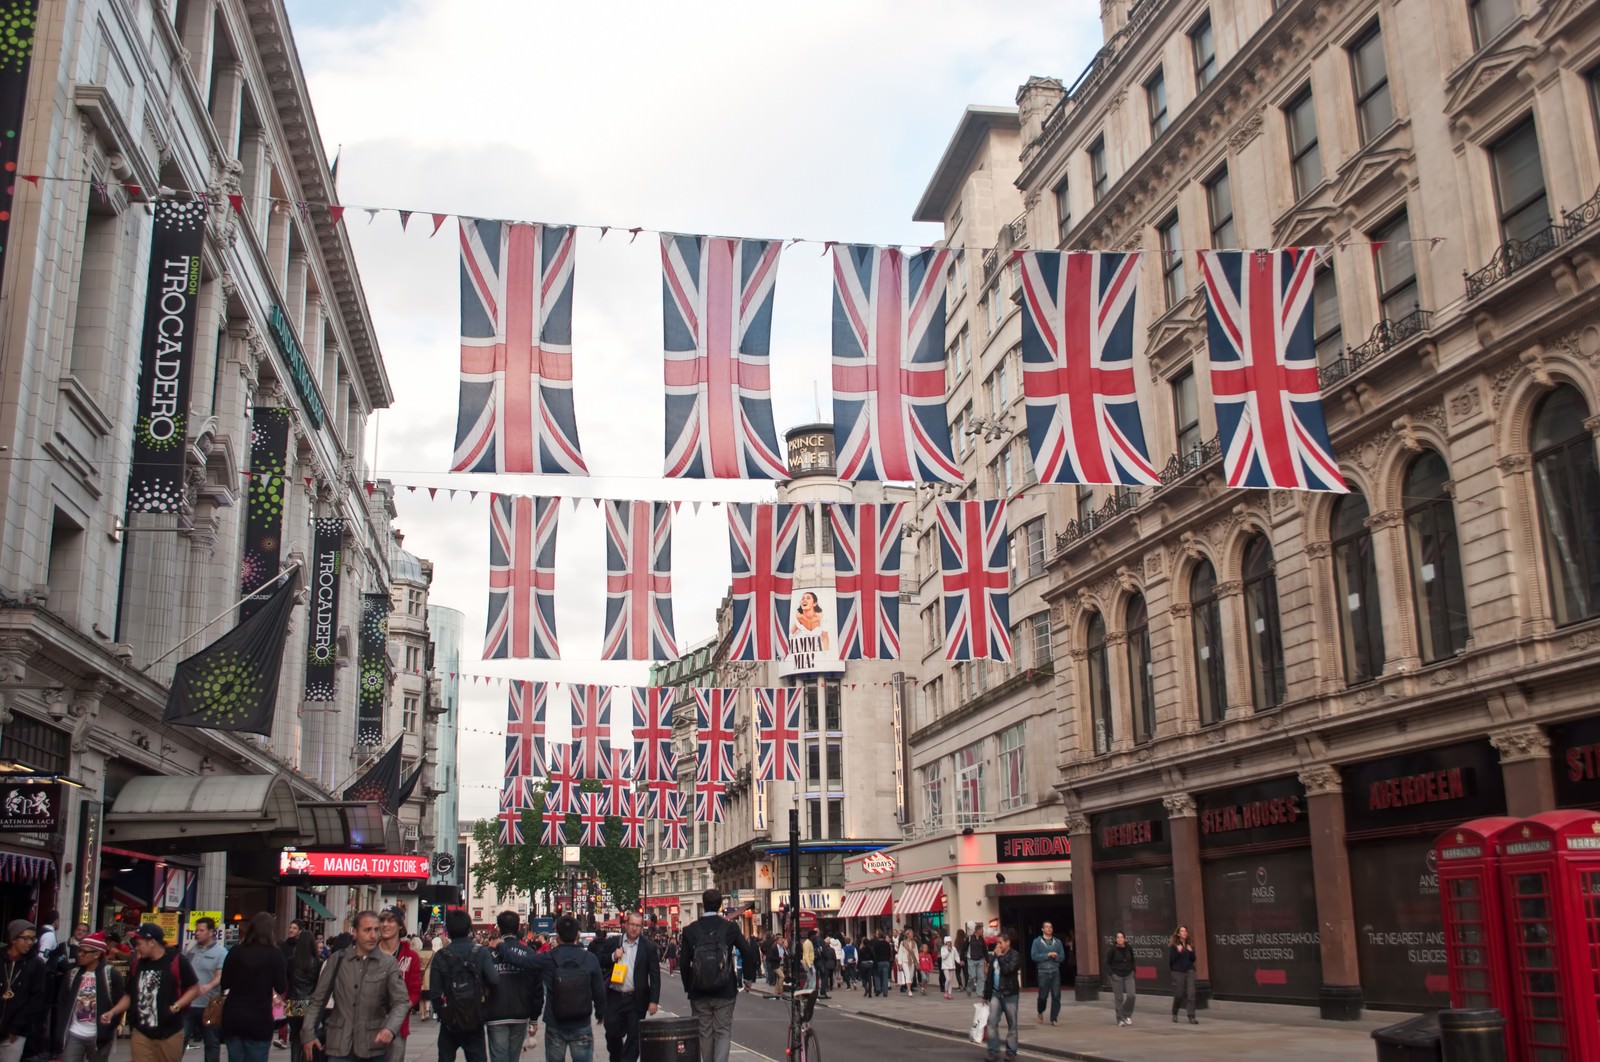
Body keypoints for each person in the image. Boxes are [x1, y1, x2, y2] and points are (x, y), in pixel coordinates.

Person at [302, 911, 409, 1062]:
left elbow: (401, 1001)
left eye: (376, 930)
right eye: (367, 930)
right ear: (355, 932)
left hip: (373, 1044)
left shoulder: (388, 963)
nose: (373, 935)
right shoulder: (338, 960)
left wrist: (390, 1028)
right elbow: (318, 999)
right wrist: (308, 1032)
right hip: (339, 1044)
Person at [102, 923, 200, 1062]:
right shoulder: (138, 965)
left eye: (139, 943)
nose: (137, 948)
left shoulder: (176, 961)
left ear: (152, 942)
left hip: (169, 1031)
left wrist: (175, 1007)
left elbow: (194, 988)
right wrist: (113, 1012)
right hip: (141, 1031)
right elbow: (130, 995)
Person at [678, 890, 756, 1062]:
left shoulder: (690, 930)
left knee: (704, 1032)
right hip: (725, 989)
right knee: (722, 1031)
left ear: (703, 904)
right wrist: (748, 979)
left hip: (699, 991)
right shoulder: (730, 928)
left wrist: (688, 986)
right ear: (720, 905)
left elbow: (683, 962)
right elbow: (746, 951)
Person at [429, 909, 499, 1062]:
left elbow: (434, 992)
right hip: (474, 1016)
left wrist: (442, 1013)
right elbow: (494, 980)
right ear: (469, 929)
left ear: (448, 931)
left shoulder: (441, 956)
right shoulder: (481, 953)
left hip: (450, 1018)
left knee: (445, 1057)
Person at [218, 912, 288, 1062]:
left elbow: (224, 983)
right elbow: (281, 986)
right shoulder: (274, 954)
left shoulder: (236, 951)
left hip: (233, 1016)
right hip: (259, 1018)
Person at [593, 913, 659, 1062]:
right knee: (612, 1032)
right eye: (632, 925)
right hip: (615, 996)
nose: (634, 929)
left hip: (636, 998)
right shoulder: (613, 942)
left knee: (634, 1036)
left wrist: (653, 1000)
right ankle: (617, 1057)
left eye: (638, 926)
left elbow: (655, 975)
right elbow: (598, 960)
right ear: (626, 924)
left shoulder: (648, 947)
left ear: (641, 927)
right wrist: (612, 956)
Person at [50, 932, 121, 1062]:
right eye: (79, 950)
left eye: (85, 952)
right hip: (74, 1033)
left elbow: (119, 1004)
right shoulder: (72, 974)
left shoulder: (110, 975)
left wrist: (108, 1030)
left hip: (99, 1035)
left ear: (97, 954)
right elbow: (62, 1002)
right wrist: (61, 1029)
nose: (79, 954)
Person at [483, 913, 541, 1062]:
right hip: (520, 1012)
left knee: (499, 1057)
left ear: (499, 928)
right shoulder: (528, 952)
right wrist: (534, 1018)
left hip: (495, 1012)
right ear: (518, 927)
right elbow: (537, 988)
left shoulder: (488, 953)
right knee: (513, 1057)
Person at [375, 908, 421, 1062]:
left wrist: (401, 1010)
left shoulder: (410, 956)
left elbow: (414, 991)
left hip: (398, 1024)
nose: (385, 925)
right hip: (369, 1021)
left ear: (400, 925)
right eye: (382, 921)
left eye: (390, 921)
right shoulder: (370, 953)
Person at [0, 921, 43, 1062]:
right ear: (13, 939)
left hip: (16, 1031)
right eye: (25, 938)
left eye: (32, 938)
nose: (30, 942)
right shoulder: (2, 959)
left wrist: (17, 1027)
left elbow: (36, 999)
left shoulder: (36, 963)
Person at [186, 917, 228, 1062]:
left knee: (211, 1042)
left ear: (211, 932)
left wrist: (208, 986)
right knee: (180, 1040)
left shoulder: (221, 952)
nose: (197, 933)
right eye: (196, 930)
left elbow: (219, 976)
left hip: (210, 1005)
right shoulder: (191, 949)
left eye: (201, 930)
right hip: (189, 1004)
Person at [283, 927, 323, 1062]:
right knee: (309, 1037)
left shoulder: (291, 961)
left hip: (293, 1002)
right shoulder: (317, 962)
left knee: (295, 1038)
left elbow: (287, 981)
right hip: (310, 1003)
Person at [981, 934, 1021, 1062]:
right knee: (991, 1023)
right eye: (997, 943)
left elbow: (1008, 970)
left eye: (1000, 943)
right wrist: (986, 994)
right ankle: (993, 1051)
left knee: (1012, 1025)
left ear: (1008, 943)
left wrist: (1000, 957)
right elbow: (990, 976)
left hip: (1010, 994)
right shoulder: (994, 956)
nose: (998, 945)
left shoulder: (1014, 955)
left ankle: (1011, 1053)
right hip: (996, 994)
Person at [1029, 921, 1064, 1025]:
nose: (1049, 929)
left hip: (1055, 970)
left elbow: (1062, 957)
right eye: (1047, 927)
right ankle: (1040, 1011)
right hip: (1043, 971)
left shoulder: (1057, 942)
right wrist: (1047, 955)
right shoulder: (1037, 942)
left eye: (1051, 927)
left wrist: (1056, 956)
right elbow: (1034, 956)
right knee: (1043, 995)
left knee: (1056, 995)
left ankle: (1054, 1018)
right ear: (1042, 929)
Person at [1106, 931, 1137, 1027]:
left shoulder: (1129, 948)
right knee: (1119, 998)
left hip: (1128, 974)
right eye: (1118, 937)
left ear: (1125, 938)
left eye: (1121, 937)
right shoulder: (1112, 950)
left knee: (1131, 995)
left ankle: (1127, 1015)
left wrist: (1133, 970)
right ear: (1116, 939)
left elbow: (1133, 959)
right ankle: (1120, 1018)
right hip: (1117, 975)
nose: (1120, 939)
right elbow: (1107, 963)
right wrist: (1112, 974)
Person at [1169, 926, 1198, 1025]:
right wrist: (1179, 951)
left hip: (1189, 970)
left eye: (1185, 931)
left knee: (1191, 993)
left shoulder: (1189, 944)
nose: (1184, 933)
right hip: (1178, 971)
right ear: (1178, 934)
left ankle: (1191, 1016)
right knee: (1179, 994)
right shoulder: (1174, 945)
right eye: (1182, 931)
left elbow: (1193, 959)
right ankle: (1174, 1012)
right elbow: (1172, 960)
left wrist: (1191, 951)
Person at [964, 928, 986, 997]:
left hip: (980, 960)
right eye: (981, 930)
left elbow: (984, 950)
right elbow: (964, 948)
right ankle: (969, 988)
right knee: (972, 976)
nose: (982, 932)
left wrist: (988, 960)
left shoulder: (981, 939)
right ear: (977, 931)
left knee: (981, 976)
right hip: (971, 960)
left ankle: (979, 992)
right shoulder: (970, 938)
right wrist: (962, 959)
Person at [870, 932, 892, 999]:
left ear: (878, 937)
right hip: (886, 962)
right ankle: (885, 992)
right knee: (885, 978)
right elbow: (889, 953)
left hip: (878, 962)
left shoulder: (876, 944)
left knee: (877, 976)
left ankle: (878, 989)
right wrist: (888, 960)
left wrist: (874, 961)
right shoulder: (887, 944)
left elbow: (873, 953)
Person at [938, 934, 959, 1000]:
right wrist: (948, 951)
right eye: (948, 942)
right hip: (945, 966)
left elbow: (956, 956)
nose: (949, 943)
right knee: (948, 979)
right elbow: (943, 957)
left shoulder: (954, 948)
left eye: (950, 942)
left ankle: (950, 993)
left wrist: (958, 961)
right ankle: (946, 991)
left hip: (952, 966)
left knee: (951, 981)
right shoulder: (943, 948)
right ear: (945, 942)